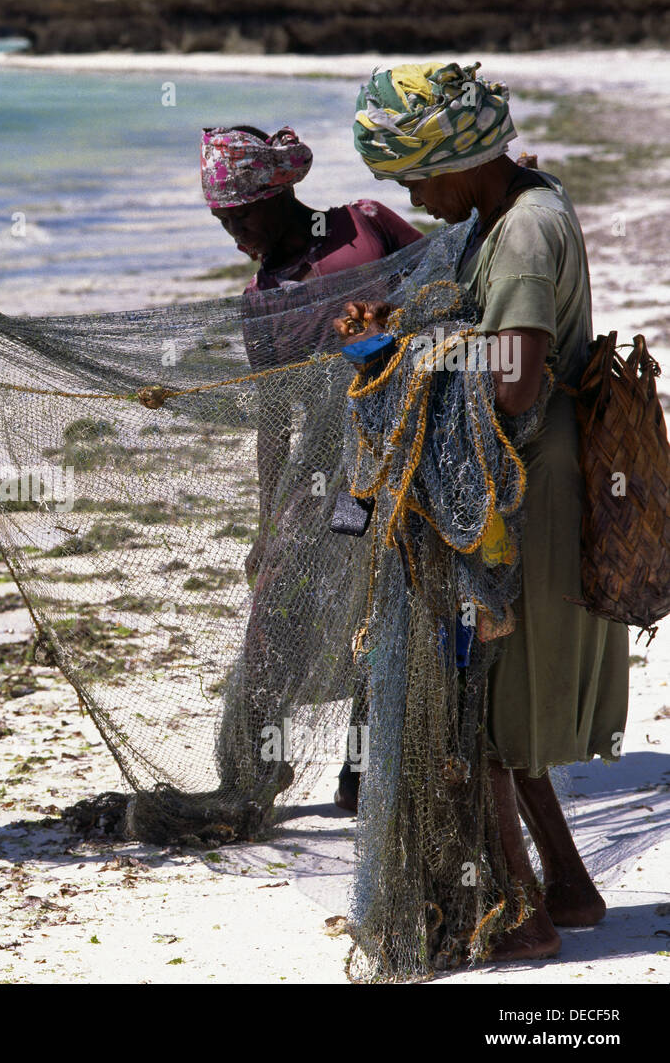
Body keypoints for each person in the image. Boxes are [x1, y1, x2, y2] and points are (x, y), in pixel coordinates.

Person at [339, 61, 628, 960]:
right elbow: (486, 334)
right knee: (488, 697)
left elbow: (510, 383)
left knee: (478, 705)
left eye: (419, 177)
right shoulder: (513, 207)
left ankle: (522, 920)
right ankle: (571, 888)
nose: (415, 197)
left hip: (526, 497)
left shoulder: (524, 235)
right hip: (511, 490)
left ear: (460, 157)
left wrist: (404, 355)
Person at [202, 125, 423, 811]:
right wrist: (270, 524)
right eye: (222, 222)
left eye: (242, 216)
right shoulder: (261, 300)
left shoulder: (364, 225)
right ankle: (258, 770)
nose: (236, 234)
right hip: (332, 476)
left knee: (389, 608)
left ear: (281, 193)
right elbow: (274, 420)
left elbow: (450, 285)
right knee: (282, 611)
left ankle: (363, 774)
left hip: (409, 451)